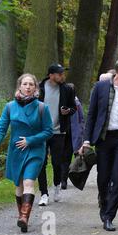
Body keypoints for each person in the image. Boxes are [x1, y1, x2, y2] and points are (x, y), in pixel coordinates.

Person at [80, 57, 118, 231]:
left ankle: (109, 216)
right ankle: (103, 201)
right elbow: (91, 115)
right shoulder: (100, 87)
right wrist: (86, 140)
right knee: (103, 177)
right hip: (103, 139)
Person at [0, 74, 53, 233]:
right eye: (25, 84)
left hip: (35, 150)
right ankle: (22, 216)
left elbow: (49, 131)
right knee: (18, 185)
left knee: (29, 182)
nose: (28, 86)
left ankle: (24, 217)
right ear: (19, 87)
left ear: (35, 88)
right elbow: (1, 128)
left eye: (31, 84)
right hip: (16, 150)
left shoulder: (42, 108)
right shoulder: (10, 107)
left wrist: (30, 140)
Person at [37, 63, 76, 206]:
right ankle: (43, 193)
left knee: (56, 162)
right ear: (51, 75)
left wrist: (68, 111)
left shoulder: (67, 89)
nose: (62, 76)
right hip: (41, 132)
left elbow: (73, 108)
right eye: (60, 74)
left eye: (63, 74)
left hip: (59, 131)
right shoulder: (39, 88)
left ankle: (57, 186)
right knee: (41, 162)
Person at [65, 83, 85, 174]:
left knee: (76, 153)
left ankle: (76, 172)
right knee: (66, 155)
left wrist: (81, 130)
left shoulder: (77, 103)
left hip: (76, 132)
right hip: (68, 132)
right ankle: (66, 174)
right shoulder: (63, 103)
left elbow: (81, 118)